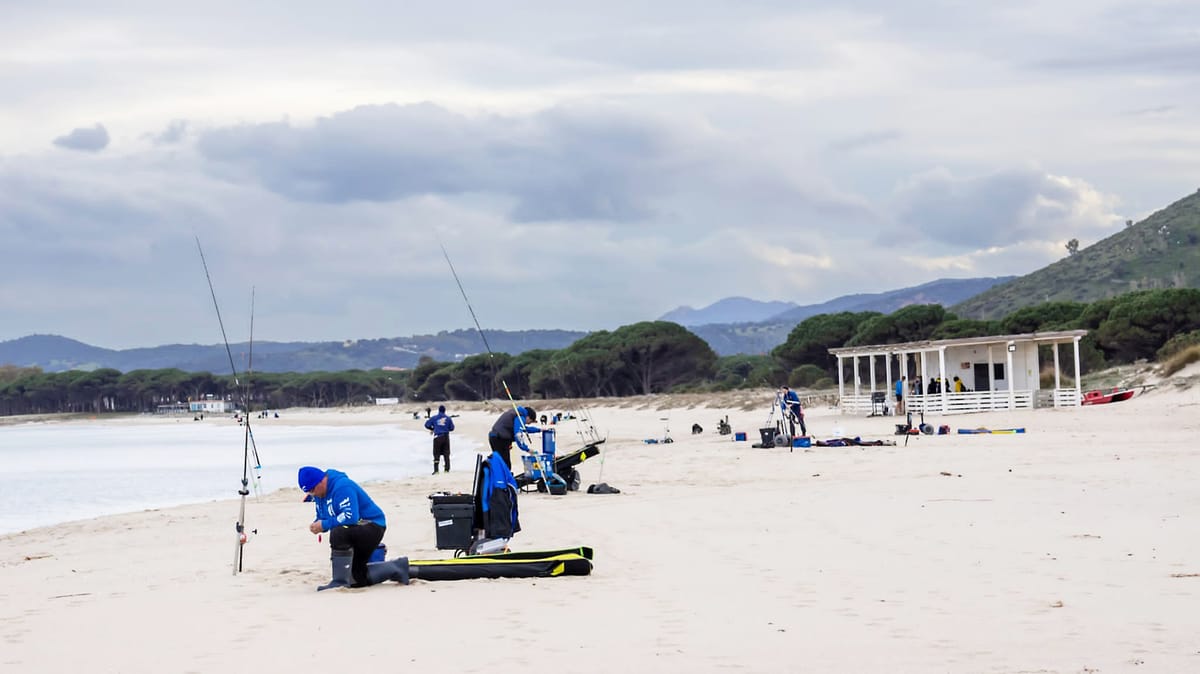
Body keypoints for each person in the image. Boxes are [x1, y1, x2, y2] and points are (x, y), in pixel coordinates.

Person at [298, 466, 407, 591]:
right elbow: (323, 516)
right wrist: (317, 525)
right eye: (309, 492)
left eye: (312, 490)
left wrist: (325, 524)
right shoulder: (319, 495)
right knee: (356, 578)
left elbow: (351, 517)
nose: (313, 494)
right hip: (355, 528)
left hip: (372, 525)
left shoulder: (343, 486)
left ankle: (339, 581)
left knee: (338, 532)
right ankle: (398, 567)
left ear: (321, 480)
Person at [488, 405, 541, 469]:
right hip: (499, 439)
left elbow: (524, 429)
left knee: (500, 462)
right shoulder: (520, 417)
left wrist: (539, 430)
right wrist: (527, 449)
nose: (528, 423)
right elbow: (518, 435)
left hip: (495, 437)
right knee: (505, 465)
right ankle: (501, 478)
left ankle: (496, 474)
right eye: (530, 422)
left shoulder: (517, 414)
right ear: (528, 417)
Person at [424, 404, 455, 474]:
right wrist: (445, 428)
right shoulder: (448, 418)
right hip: (446, 437)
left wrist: (433, 428)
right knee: (446, 453)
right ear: (444, 411)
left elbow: (426, 425)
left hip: (437, 437)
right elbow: (452, 428)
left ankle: (436, 470)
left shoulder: (434, 418)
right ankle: (447, 469)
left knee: (436, 454)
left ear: (438, 410)